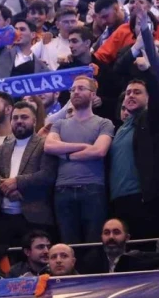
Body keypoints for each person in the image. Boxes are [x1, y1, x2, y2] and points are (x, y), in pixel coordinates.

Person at [108, 58, 159, 240]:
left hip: (146, 200)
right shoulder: (119, 129)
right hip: (119, 201)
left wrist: (147, 72)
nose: (131, 95)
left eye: (137, 92)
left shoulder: (151, 120)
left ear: (148, 98)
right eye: (128, 92)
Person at [45, 76, 114, 244]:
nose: (76, 92)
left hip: (93, 188)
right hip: (62, 189)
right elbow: (49, 146)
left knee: (94, 245)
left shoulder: (104, 123)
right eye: (73, 89)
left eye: (81, 88)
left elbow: (99, 151)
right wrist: (82, 146)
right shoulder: (59, 124)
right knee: (68, 245)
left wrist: (66, 153)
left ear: (93, 94)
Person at [0, 101, 57, 246]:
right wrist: (6, 188)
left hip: (34, 218)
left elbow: (47, 175)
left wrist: (17, 182)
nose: (19, 121)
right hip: (3, 217)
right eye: (15, 118)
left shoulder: (44, 144)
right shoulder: (3, 148)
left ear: (34, 121)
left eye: (24, 117)